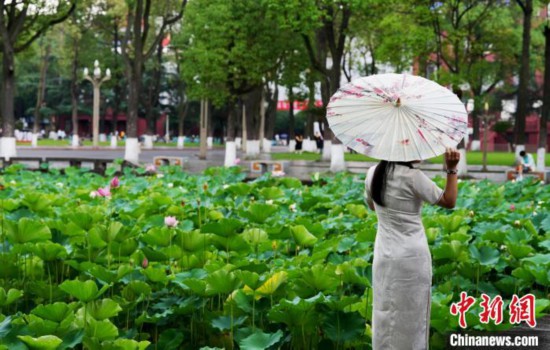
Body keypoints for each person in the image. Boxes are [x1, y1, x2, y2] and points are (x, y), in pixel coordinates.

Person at [364, 148, 460, 350]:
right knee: (411, 317)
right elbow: (449, 201)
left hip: (384, 255)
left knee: (384, 312)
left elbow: (373, 206)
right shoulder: (413, 177)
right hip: (411, 258)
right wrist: (451, 170)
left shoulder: (373, 173)